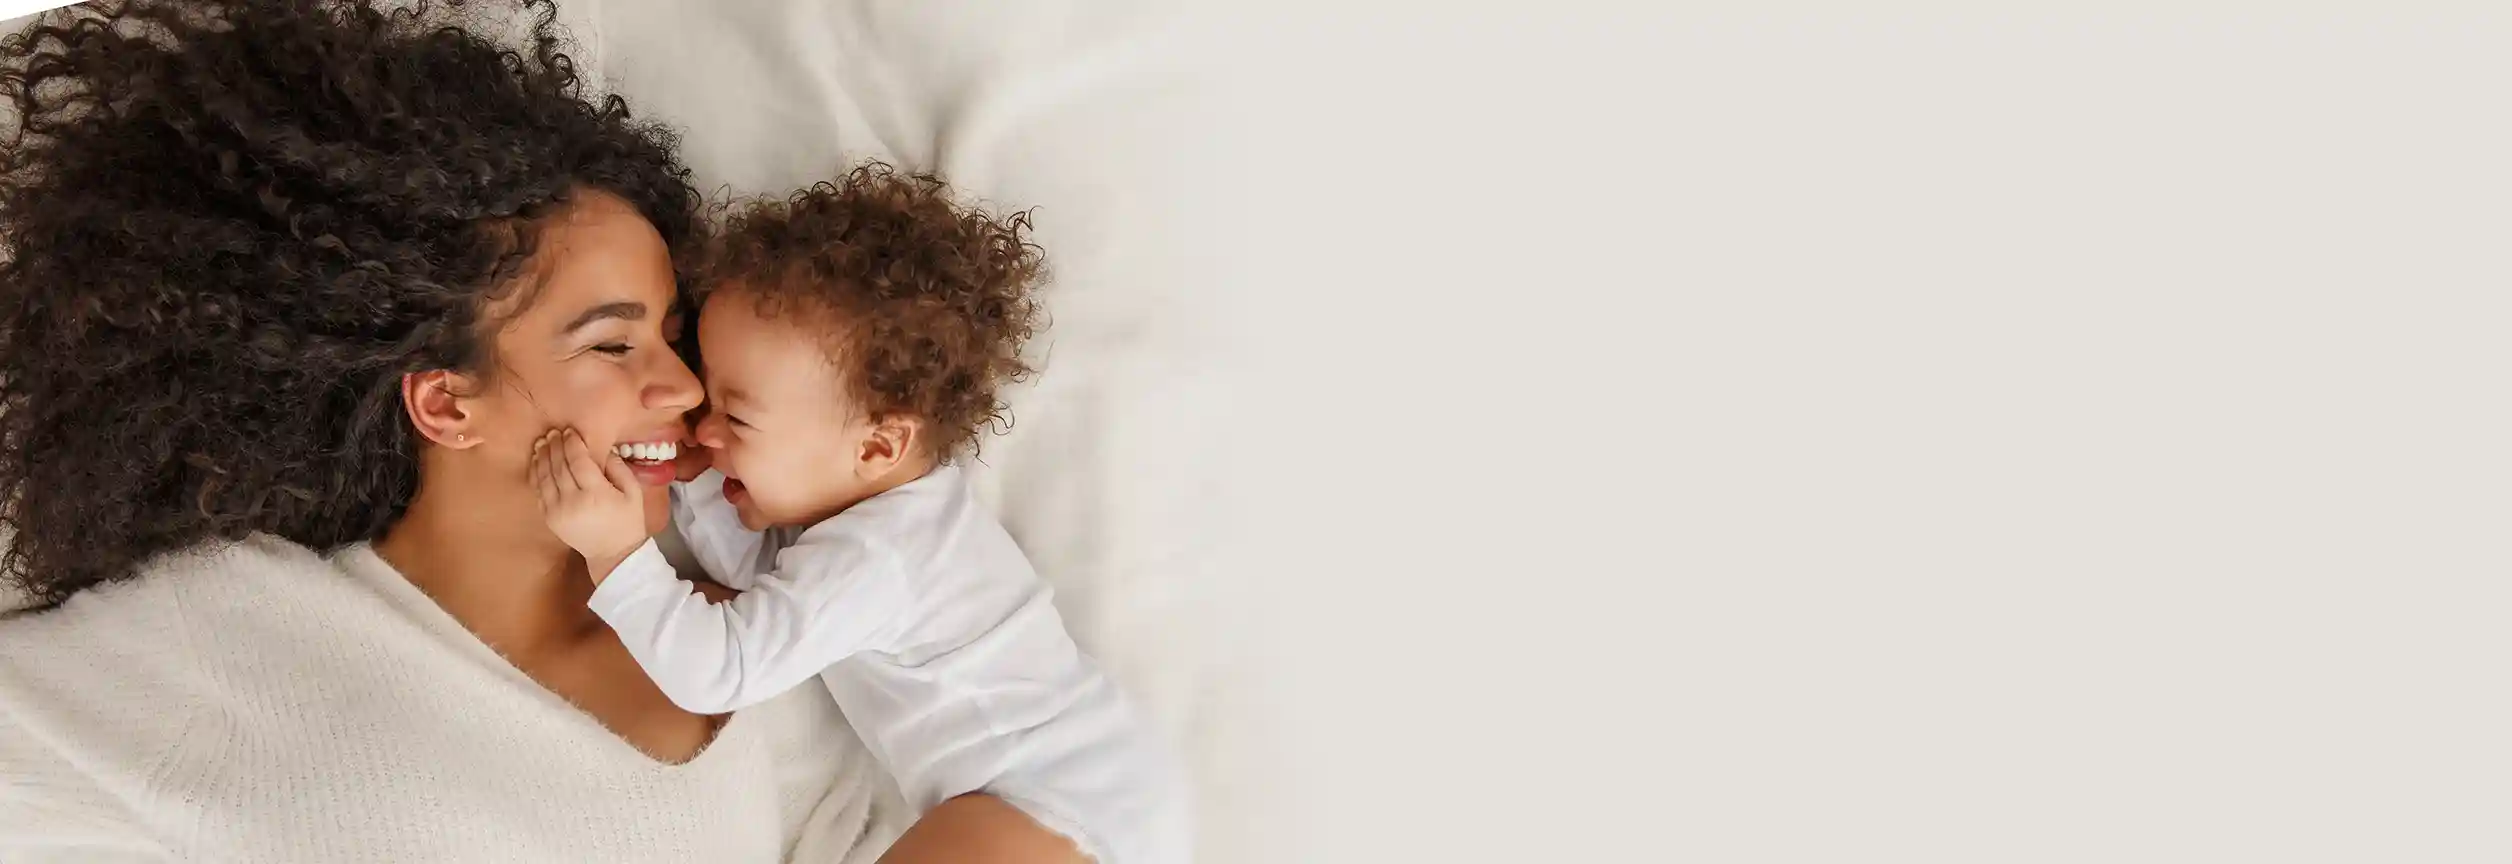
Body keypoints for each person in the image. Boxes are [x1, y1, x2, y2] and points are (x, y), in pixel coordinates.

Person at [0, 2, 1084, 860]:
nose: (680, 387)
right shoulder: (233, 637)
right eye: (613, 347)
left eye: (674, 333)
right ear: (446, 403)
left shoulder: (759, 628)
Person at [530, 165, 1192, 863]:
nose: (704, 427)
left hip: (1060, 799)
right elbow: (761, 588)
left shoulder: (881, 556)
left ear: (878, 442)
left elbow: (722, 665)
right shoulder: (872, 519)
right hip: (1076, 791)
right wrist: (696, 480)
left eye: (738, 417)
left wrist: (616, 553)